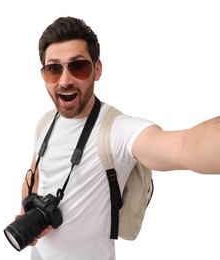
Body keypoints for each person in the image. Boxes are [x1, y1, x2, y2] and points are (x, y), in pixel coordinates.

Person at [16, 16, 220, 260]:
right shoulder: (46, 122)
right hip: (39, 254)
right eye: (53, 69)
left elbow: (186, 147)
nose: (65, 80)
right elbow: (34, 175)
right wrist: (27, 216)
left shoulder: (117, 131)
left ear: (97, 69)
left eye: (78, 66)